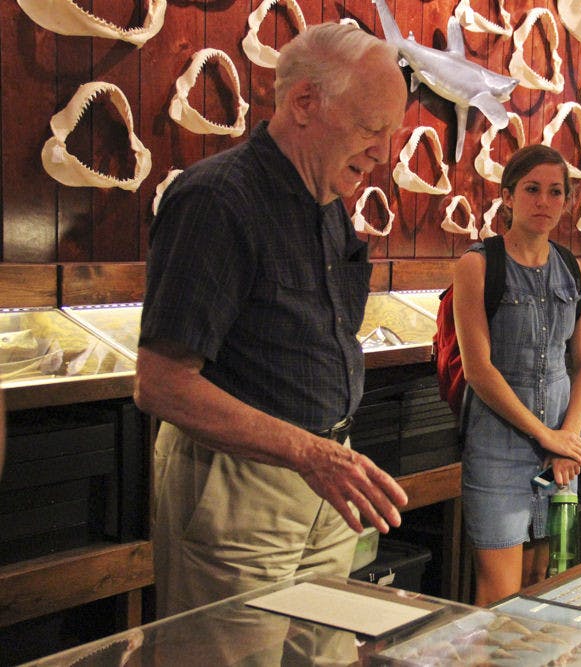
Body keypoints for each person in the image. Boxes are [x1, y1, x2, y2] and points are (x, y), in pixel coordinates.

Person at [134, 22, 409, 619]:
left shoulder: (330, 206)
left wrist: (324, 456)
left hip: (326, 485)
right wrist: (307, 453)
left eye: (391, 133)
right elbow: (161, 384)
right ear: (305, 102)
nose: (383, 154)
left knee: (323, 654)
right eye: (370, 128)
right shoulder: (217, 200)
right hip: (241, 489)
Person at [453, 145, 581, 606]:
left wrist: (568, 438)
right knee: (499, 596)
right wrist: (545, 435)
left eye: (556, 192)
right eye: (532, 189)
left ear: (567, 202)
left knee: (547, 585)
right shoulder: (478, 264)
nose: (544, 202)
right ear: (508, 196)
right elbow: (478, 369)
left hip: (559, 454)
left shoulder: (573, 268)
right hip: (498, 450)